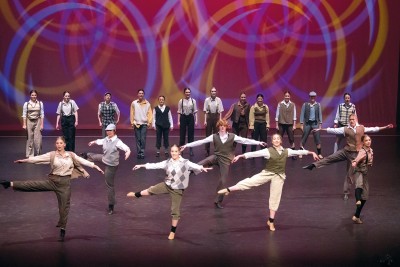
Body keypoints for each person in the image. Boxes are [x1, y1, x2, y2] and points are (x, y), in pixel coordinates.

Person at [0, 136, 104, 242]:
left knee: (64, 208)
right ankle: (9, 184)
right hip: (53, 181)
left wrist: (95, 166)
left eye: (60, 143)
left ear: (64, 144)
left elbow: (82, 161)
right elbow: (38, 158)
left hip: (64, 185)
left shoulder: (71, 155)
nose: (58, 145)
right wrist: (25, 160)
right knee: (34, 185)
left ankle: (62, 229)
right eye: (57, 143)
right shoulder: (52, 155)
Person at [217, 133, 319, 231]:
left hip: (279, 176)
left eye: (278, 139)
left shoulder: (286, 151)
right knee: (251, 181)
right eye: (274, 139)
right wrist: (241, 156)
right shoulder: (268, 151)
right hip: (267, 173)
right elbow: (254, 154)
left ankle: (271, 221)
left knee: (275, 197)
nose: (276, 140)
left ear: (281, 141)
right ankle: (229, 189)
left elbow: (298, 152)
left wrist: (311, 152)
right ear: (272, 141)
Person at [127, 145, 211, 240]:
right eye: (172, 151)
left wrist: (201, 168)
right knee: (151, 190)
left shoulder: (185, 162)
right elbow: (155, 165)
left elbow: (194, 165)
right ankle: (136, 194)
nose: (174, 153)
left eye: (176, 151)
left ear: (179, 152)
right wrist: (142, 165)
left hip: (177, 189)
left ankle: (172, 231)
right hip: (167, 185)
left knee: (175, 211)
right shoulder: (167, 162)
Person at [180, 119, 266, 209]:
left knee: (223, 181)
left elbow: (245, 140)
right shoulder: (214, 136)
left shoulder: (233, 136)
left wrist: (259, 142)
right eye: (220, 125)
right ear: (218, 127)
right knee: (201, 163)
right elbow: (201, 142)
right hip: (216, 157)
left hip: (225, 160)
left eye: (224, 125)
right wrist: (186, 145)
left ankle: (218, 201)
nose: (222, 127)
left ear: (226, 127)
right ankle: (188, 172)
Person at [303, 114, 393, 200]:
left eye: (353, 119)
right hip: (346, 151)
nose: (351, 121)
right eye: (350, 120)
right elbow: (333, 130)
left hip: (355, 155)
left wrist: (385, 127)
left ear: (356, 120)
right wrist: (320, 129)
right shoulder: (346, 128)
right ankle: (313, 165)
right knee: (330, 158)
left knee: (349, 174)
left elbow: (374, 129)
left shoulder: (361, 128)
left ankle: (346, 193)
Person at [82, 124, 131, 215]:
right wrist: (93, 141)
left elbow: (126, 148)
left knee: (109, 185)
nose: (108, 132)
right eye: (107, 130)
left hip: (111, 165)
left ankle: (111, 205)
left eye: (110, 130)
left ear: (114, 131)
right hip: (104, 158)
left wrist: (127, 152)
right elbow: (99, 141)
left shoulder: (118, 142)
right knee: (94, 156)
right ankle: (83, 157)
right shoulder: (106, 139)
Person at [350, 134, 373, 224]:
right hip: (359, 170)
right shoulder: (362, 151)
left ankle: (356, 216)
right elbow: (357, 158)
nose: (368, 142)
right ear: (363, 142)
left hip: (365, 172)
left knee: (366, 195)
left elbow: (369, 160)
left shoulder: (371, 150)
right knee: (359, 185)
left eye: (369, 140)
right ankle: (358, 200)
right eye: (366, 140)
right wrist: (355, 162)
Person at [299, 91, 323, 159]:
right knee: (304, 138)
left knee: (317, 139)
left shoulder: (318, 105)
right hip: (307, 123)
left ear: (315, 97)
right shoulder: (305, 104)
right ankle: (300, 152)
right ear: (309, 97)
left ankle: (319, 153)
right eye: (311, 97)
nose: (312, 98)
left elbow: (320, 114)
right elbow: (302, 114)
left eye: (313, 97)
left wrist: (320, 123)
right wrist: (301, 123)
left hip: (315, 123)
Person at [130, 89, 152, 159]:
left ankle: (142, 152)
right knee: (138, 139)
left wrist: (149, 122)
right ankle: (139, 152)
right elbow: (132, 113)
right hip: (136, 123)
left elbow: (150, 114)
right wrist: (132, 122)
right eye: (139, 93)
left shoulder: (147, 103)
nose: (141, 94)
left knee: (143, 139)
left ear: (144, 94)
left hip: (144, 124)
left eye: (142, 93)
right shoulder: (134, 103)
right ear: (137, 94)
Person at [22, 90, 44, 158]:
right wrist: (24, 124)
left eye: (35, 95)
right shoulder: (27, 104)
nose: (34, 96)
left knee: (38, 139)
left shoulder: (40, 103)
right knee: (30, 139)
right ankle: (30, 155)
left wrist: (41, 125)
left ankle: (38, 154)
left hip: (38, 121)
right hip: (29, 121)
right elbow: (24, 114)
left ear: (36, 95)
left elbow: (42, 114)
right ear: (30, 95)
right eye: (32, 95)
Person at [275, 91, 297, 158]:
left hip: (289, 124)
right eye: (286, 96)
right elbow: (277, 114)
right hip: (281, 123)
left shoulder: (293, 104)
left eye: (288, 96)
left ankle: (293, 154)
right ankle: (278, 153)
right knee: (279, 138)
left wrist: (294, 125)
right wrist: (276, 124)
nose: (287, 97)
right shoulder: (280, 104)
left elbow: (294, 115)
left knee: (291, 139)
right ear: (284, 96)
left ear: (290, 96)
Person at [203, 87, 224, 156]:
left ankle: (217, 150)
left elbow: (220, 111)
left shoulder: (219, 100)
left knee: (216, 135)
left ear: (216, 92)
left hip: (216, 118)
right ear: (210, 92)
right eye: (212, 91)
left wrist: (220, 120)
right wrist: (205, 121)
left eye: (214, 91)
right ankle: (207, 150)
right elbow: (205, 111)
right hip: (209, 118)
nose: (213, 92)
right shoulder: (207, 100)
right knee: (208, 135)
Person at [177, 87, 198, 156]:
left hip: (190, 117)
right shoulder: (181, 101)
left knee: (190, 135)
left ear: (190, 93)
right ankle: (181, 149)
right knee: (182, 134)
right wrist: (178, 121)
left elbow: (195, 111)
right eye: (186, 92)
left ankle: (191, 150)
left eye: (189, 92)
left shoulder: (193, 101)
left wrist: (196, 120)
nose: (188, 93)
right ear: (184, 93)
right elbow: (179, 111)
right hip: (183, 118)